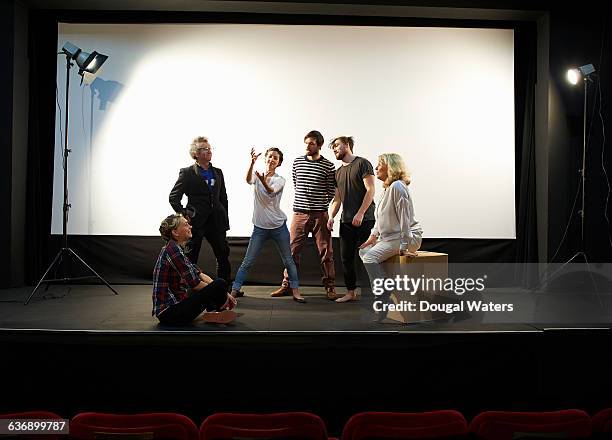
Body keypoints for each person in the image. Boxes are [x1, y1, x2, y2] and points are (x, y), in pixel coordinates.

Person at [269, 130, 338, 300]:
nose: (308, 146)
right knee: (291, 251)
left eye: (312, 143)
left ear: (319, 145)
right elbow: (296, 182)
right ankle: (287, 285)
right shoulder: (298, 162)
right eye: (306, 143)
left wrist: (320, 206)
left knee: (326, 252)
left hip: (320, 214)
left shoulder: (328, 166)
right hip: (299, 214)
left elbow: (331, 192)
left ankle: (330, 287)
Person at [230, 147, 305, 303]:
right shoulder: (257, 176)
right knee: (247, 261)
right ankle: (234, 290)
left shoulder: (280, 180)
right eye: (270, 156)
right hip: (260, 228)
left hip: (278, 227)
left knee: (288, 261)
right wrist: (252, 163)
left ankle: (296, 291)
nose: (272, 159)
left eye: (275, 158)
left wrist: (264, 180)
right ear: (265, 159)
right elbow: (248, 180)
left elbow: (271, 191)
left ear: (278, 163)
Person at [359, 153, 423, 317]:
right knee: (364, 251)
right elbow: (380, 219)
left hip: (407, 236)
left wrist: (404, 245)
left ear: (390, 167)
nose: (376, 168)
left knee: (369, 258)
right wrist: (372, 237)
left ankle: (382, 294)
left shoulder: (398, 187)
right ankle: (386, 286)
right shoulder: (387, 189)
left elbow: (405, 218)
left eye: (379, 164)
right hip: (391, 238)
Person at [152, 213, 237, 325]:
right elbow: (195, 284)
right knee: (219, 283)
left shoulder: (176, 248)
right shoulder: (172, 250)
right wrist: (222, 293)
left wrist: (223, 292)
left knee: (216, 284)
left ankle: (215, 311)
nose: (190, 227)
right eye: (186, 224)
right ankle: (218, 310)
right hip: (170, 314)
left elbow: (200, 274)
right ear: (175, 232)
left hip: (175, 308)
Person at [169, 136, 231, 288]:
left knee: (223, 254)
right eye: (205, 149)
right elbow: (173, 197)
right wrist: (185, 215)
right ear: (195, 153)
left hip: (216, 221)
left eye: (210, 148)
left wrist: (224, 218)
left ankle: (224, 288)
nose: (209, 151)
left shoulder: (218, 172)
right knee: (191, 256)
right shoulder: (187, 172)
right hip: (196, 222)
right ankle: (190, 287)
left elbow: (223, 197)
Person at [327, 136, 376, 303]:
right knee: (346, 258)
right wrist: (331, 216)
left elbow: (370, 190)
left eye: (336, 146)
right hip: (346, 221)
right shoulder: (338, 173)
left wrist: (361, 213)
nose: (334, 149)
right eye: (332, 147)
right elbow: (337, 199)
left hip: (365, 220)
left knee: (367, 257)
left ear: (347, 145)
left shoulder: (363, 163)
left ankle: (373, 294)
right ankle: (351, 292)